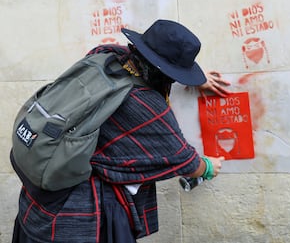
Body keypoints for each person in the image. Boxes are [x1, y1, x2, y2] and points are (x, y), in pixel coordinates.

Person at [11, 19, 230, 242]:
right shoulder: (145, 104)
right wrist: (209, 167)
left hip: (40, 193)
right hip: (79, 216)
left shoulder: (104, 55)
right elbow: (186, 162)